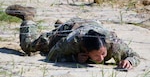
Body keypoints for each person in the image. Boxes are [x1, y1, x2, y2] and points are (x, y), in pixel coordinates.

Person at [5, 4, 140, 69]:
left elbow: (134, 55)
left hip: (90, 25)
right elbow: (52, 55)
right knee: (29, 46)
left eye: (103, 53)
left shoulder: (113, 44)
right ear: (86, 51)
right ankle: (28, 17)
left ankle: (59, 25)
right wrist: (73, 58)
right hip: (70, 30)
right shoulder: (71, 42)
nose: (102, 58)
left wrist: (129, 61)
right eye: (97, 55)